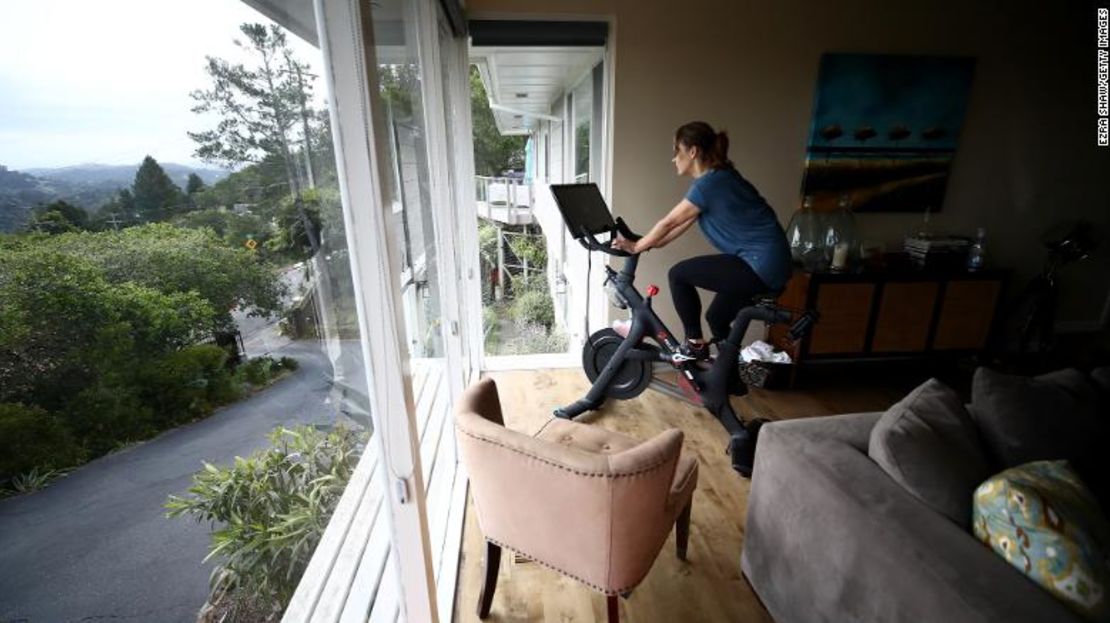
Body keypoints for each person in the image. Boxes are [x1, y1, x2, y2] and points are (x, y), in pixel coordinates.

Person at [611, 121, 791, 360]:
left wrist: (636, 246)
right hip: (769, 264)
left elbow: (668, 222)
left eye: (677, 151)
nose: (673, 158)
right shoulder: (719, 179)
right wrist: (645, 243)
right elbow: (673, 231)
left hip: (760, 264)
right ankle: (728, 372)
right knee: (716, 317)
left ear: (693, 152)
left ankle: (695, 344)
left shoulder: (709, 184)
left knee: (678, 274)